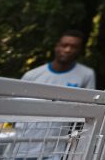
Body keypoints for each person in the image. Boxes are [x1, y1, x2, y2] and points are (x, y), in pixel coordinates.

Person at [13, 30, 96, 159]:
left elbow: (89, 112)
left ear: (79, 50)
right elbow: (15, 109)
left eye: (73, 47)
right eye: (64, 45)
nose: (68, 50)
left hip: (55, 149)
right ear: (57, 46)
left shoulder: (86, 74)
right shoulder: (32, 75)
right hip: (22, 146)